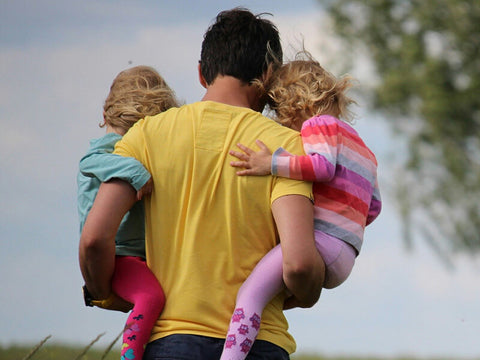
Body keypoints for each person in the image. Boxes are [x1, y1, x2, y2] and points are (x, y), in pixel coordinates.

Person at [79, 8, 325, 360]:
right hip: (258, 344)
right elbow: (299, 264)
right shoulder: (286, 148)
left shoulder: (146, 135)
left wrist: (104, 292)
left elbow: (93, 239)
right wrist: (307, 291)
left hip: (170, 342)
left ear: (200, 73)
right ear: (268, 76)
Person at [224, 52, 382, 359]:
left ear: (294, 104)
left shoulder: (319, 124)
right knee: (273, 296)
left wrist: (272, 163)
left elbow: (321, 168)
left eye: (280, 112)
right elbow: (373, 208)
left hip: (320, 244)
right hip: (345, 255)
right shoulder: (363, 148)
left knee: (249, 296)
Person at [77, 65, 179, 360]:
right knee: (151, 297)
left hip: (136, 255)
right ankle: (129, 356)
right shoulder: (109, 149)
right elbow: (89, 161)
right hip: (119, 254)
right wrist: (136, 171)